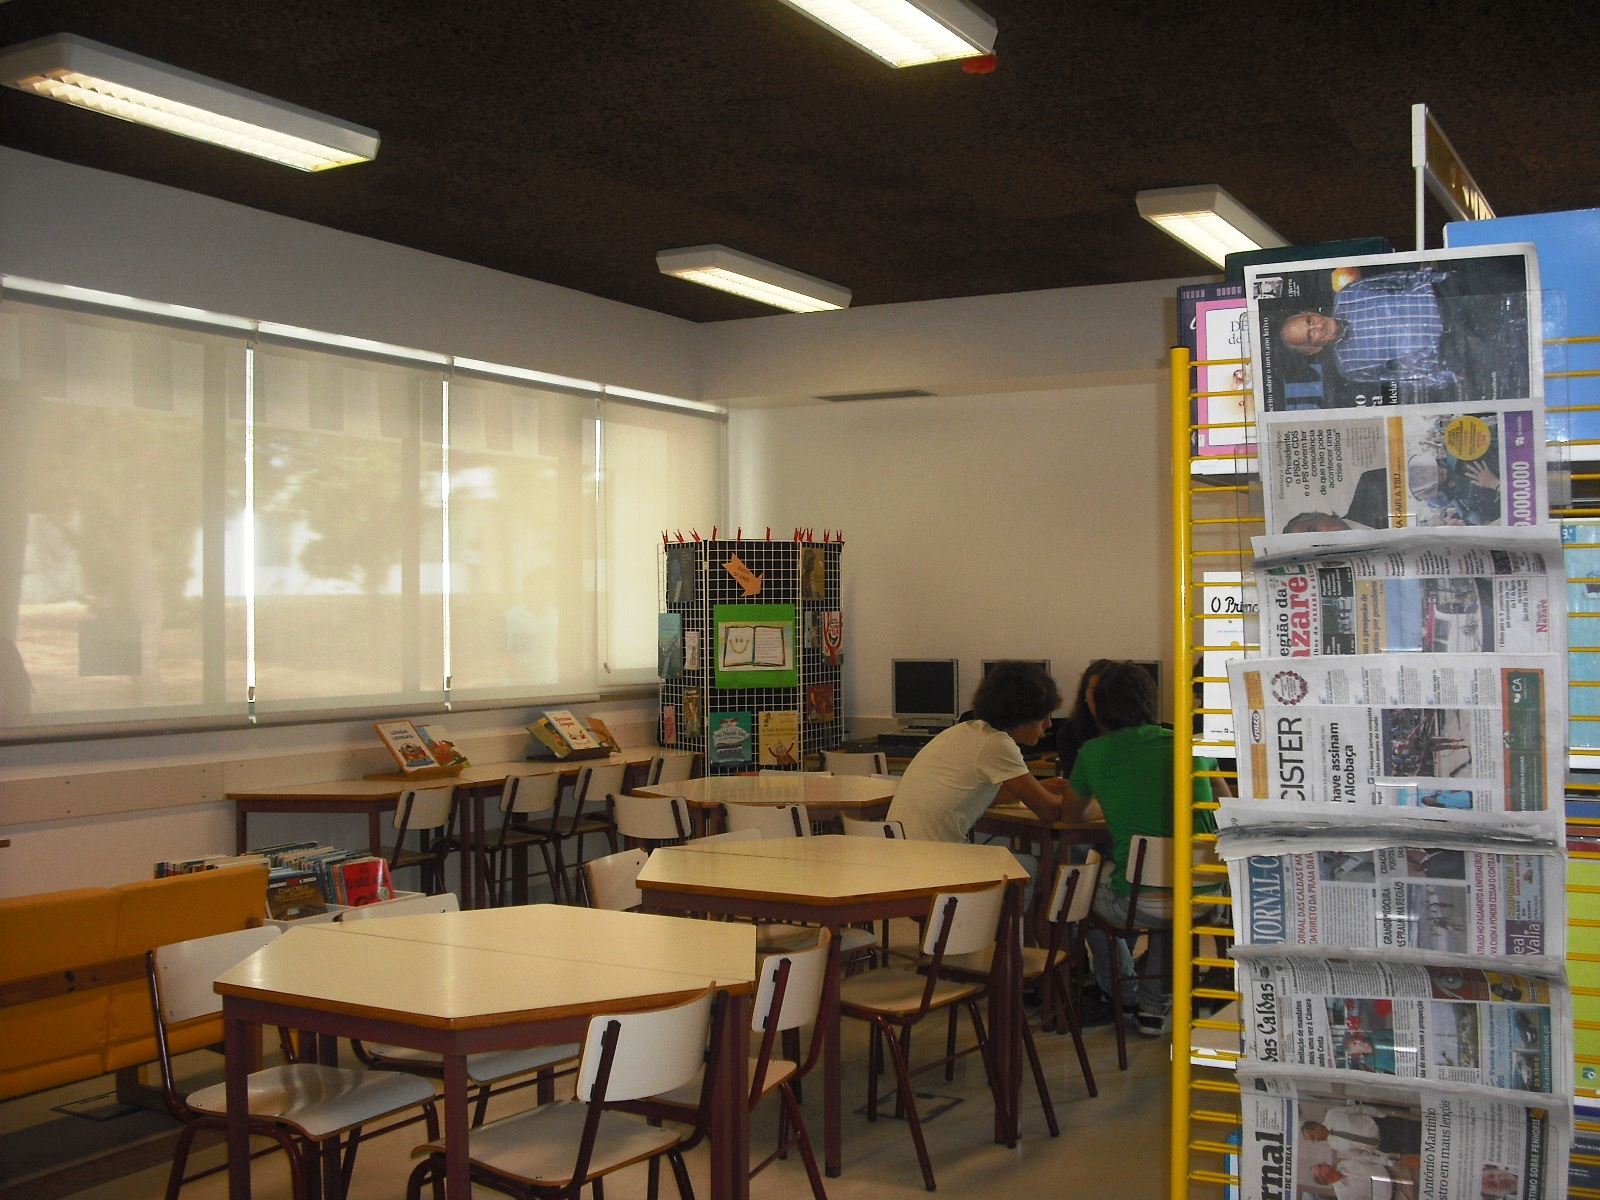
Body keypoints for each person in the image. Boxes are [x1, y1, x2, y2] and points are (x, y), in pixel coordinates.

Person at [1053, 660, 1218, 1037]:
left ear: (1097, 706)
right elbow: (1222, 804)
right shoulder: (1191, 744)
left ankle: (1120, 989)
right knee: (1172, 897)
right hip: (1207, 895)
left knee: (1079, 882)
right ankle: (1152, 1009)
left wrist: (1111, 801)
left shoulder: (1094, 752)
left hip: (1140, 900)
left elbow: (1070, 816)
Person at [887, 660, 1073, 844]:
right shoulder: (997, 744)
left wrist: (1038, 788)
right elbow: (1050, 812)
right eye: (1043, 716)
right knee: (1027, 861)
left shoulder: (964, 730)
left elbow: (974, 798)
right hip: (933, 857)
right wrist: (1086, 800)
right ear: (1022, 714)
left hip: (901, 852)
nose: (1049, 724)